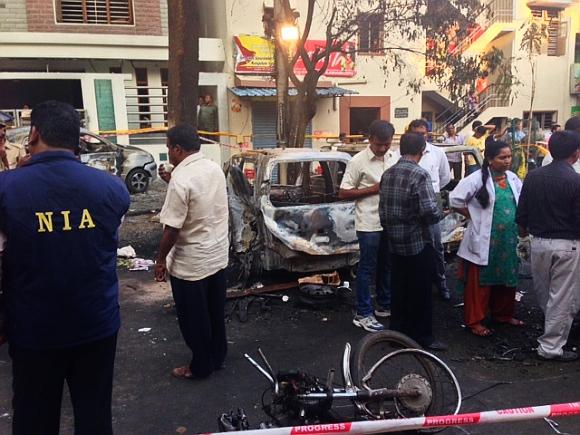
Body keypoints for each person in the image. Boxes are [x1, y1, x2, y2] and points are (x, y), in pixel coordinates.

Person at [0, 100, 130, 434]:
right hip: (96, 325)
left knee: (35, 418)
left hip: (35, 330)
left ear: (34, 133)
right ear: (77, 140)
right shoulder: (111, 186)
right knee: (94, 414)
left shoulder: (7, 189)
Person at [155, 124, 229, 378]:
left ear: (177, 149)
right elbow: (202, 202)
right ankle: (217, 357)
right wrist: (171, 181)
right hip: (217, 256)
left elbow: (172, 229)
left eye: (168, 148)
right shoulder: (214, 168)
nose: (168, 153)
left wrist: (160, 259)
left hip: (191, 263)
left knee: (193, 319)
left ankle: (200, 367)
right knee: (215, 312)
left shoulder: (182, 179)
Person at [379, 133, 447, 350]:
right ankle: (423, 336)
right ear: (421, 151)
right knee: (421, 292)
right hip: (418, 242)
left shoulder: (387, 174)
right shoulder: (420, 175)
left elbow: (382, 209)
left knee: (399, 290)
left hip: (394, 241)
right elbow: (429, 211)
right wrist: (442, 212)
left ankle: (397, 335)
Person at [516, 131, 580, 361]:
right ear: (575, 154)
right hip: (567, 245)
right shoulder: (576, 181)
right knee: (562, 297)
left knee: (545, 293)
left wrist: (523, 239)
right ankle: (551, 347)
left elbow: (521, 213)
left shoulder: (533, 177)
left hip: (538, 243)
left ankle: (552, 333)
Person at [450, 141, 523, 337]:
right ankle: (475, 320)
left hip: (507, 240)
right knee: (480, 282)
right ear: (490, 159)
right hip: (485, 240)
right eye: (502, 157)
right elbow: (455, 199)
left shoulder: (513, 178)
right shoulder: (475, 179)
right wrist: (473, 215)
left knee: (507, 278)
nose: (507, 161)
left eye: (509, 156)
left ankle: (503, 314)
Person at [339, 120, 399, 332]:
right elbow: (344, 192)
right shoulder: (357, 161)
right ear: (370, 139)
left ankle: (384, 305)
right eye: (378, 145)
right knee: (366, 268)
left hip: (389, 222)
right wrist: (374, 189)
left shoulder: (394, 157)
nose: (382, 149)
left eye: (386, 144)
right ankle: (363, 313)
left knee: (387, 265)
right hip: (369, 223)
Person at [408, 119, 452, 301]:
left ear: (428, 134)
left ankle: (441, 284)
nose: (420, 137)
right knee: (413, 246)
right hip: (410, 203)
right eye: (416, 133)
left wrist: (430, 194)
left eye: (423, 133)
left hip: (432, 201)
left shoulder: (437, 153)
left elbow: (444, 178)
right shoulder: (400, 153)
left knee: (436, 246)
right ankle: (416, 286)